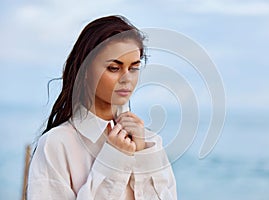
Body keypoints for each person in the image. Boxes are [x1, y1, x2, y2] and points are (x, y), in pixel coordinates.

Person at [27, 15, 177, 199]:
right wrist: (114, 160)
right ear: (85, 70)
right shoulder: (56, 144)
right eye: (114, 68)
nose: (126, 79)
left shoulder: (149, 143)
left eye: (134, 68)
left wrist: (142, 155)